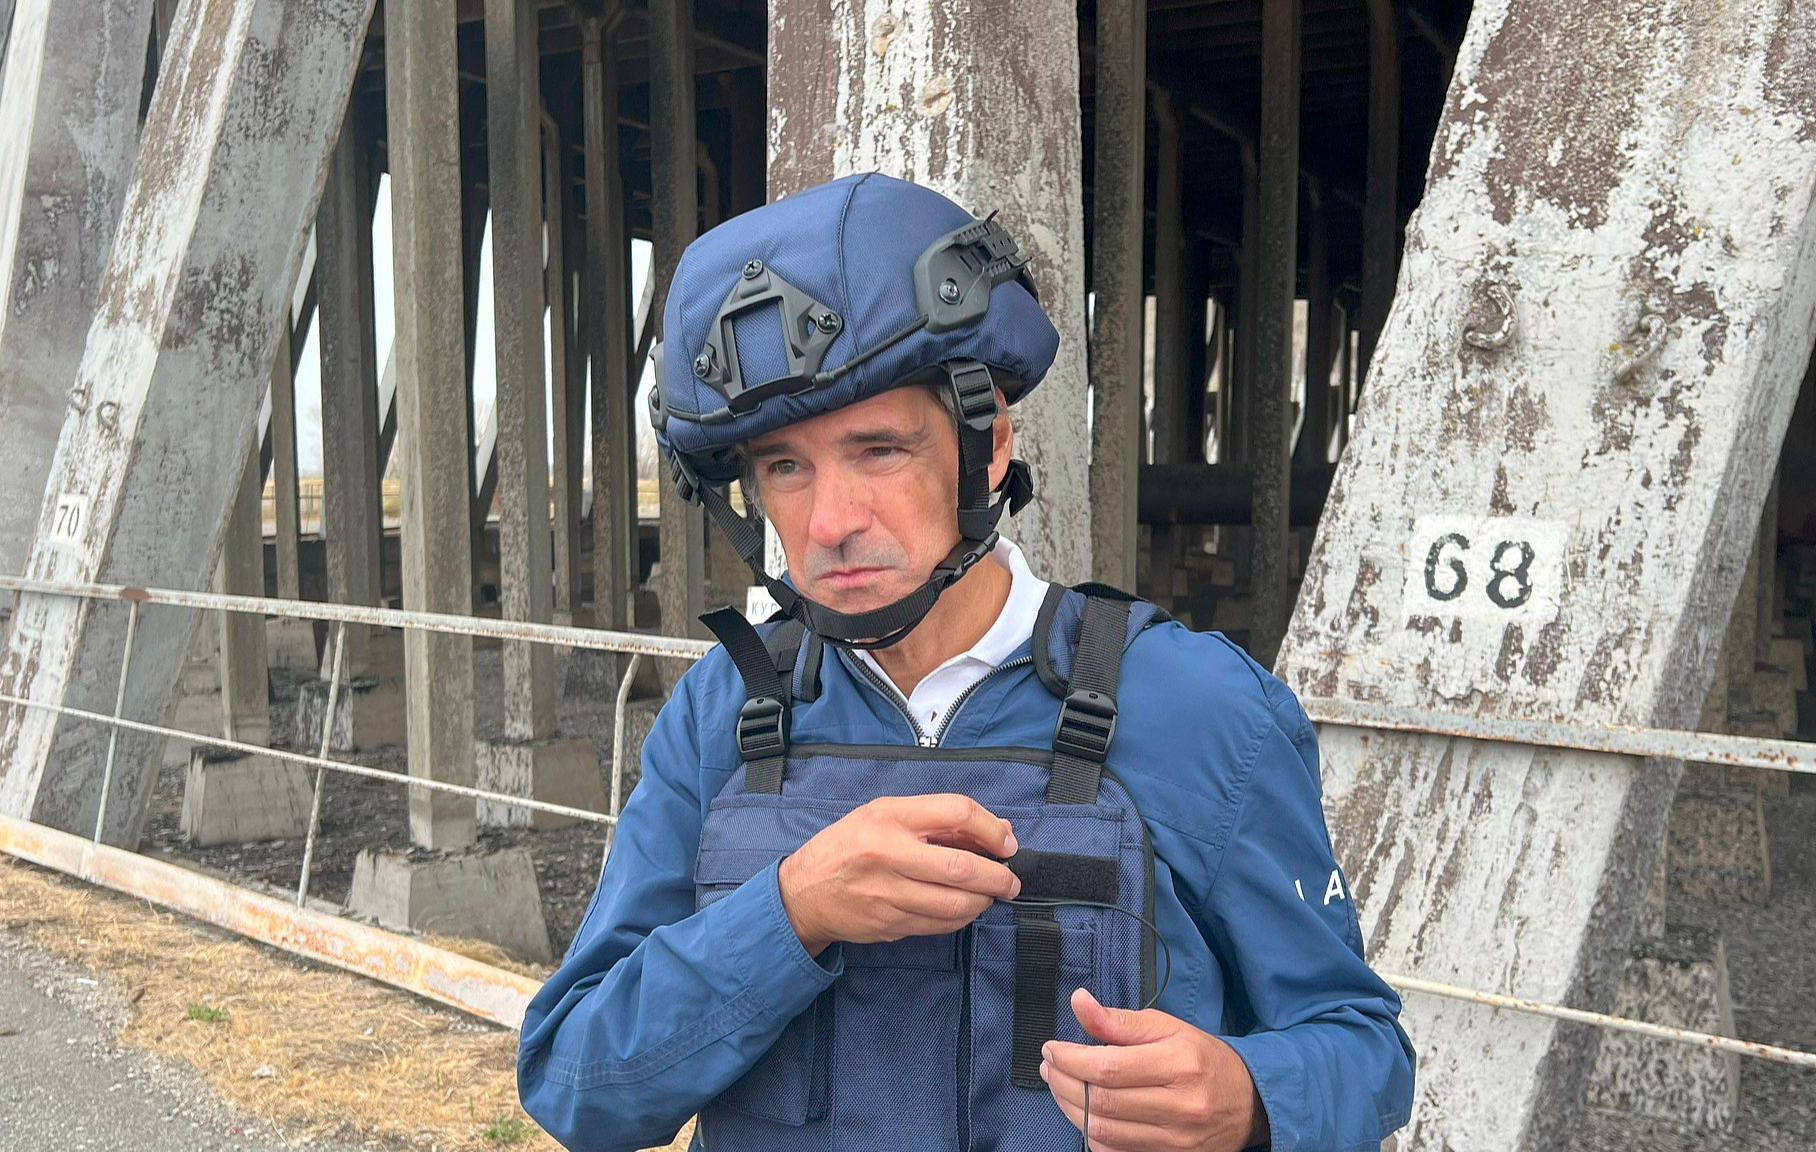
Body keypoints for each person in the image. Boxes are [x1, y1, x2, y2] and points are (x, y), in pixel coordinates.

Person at [517, 171, 1414, 1152]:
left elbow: (1363, 1052)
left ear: (986, 451)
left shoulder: (1195, 707)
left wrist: (1250, 1094)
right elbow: (574, 1083)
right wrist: (790, 912)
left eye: (878, 451)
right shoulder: (722, 712)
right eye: (784, 466)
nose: (827, 523)